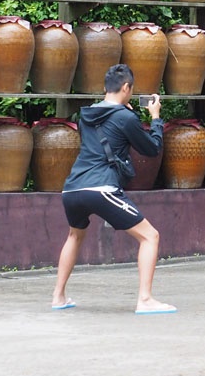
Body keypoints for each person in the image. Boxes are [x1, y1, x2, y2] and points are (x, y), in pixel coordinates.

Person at [51, 63, 176, 314]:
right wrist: (155, 118)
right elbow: (151, 149)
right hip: (102, 188)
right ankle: (145, 300)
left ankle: (58, 297)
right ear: (127, 88)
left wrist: (125, 114)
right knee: (150, 237)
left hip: (73, 188)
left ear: (105, 88)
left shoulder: (86, 115)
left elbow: (106, 136)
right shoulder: (125, 117)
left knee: (74, 236)